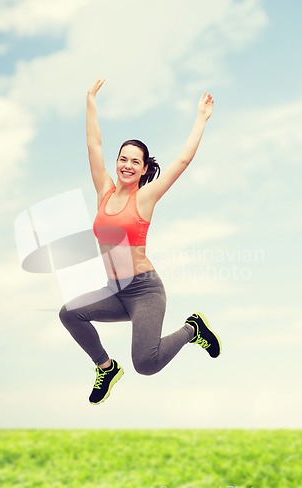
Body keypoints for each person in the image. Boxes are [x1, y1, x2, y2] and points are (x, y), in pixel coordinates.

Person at [59, 79, 221, 405]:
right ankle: (106, 368)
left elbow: (183, 162)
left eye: (135, 161)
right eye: (123, 158)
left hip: (144, 290)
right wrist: (90, 99)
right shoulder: (103, 191)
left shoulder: (145, 198)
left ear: (144, 168)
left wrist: (201, 119)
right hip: (114, 291)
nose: (127, 165)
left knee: (146, 364)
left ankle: (194, 328)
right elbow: (93, 144)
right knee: (69, 313)